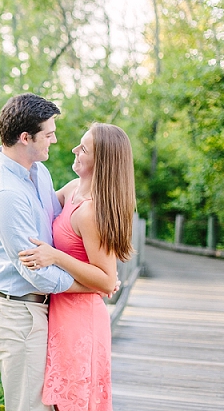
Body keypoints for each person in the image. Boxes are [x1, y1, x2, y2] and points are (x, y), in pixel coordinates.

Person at [0, 93, 98, 411]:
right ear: (25, 137)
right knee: (28, 408)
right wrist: (92, 284)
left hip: (39, 312)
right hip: (18, 314)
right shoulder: (6, 193)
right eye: (49, 133)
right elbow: (38, 273)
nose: (55, 140)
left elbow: (60, 219)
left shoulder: (38, 172)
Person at [18, 122, 136, 411]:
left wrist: (56, 257)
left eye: (83, 148)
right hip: (61, 314)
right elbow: (38, 209)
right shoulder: (73, 191)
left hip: (80, 322)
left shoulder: (92, 212)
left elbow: (108, 281)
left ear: (102, 161)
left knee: (72, 404)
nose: (74, 149)